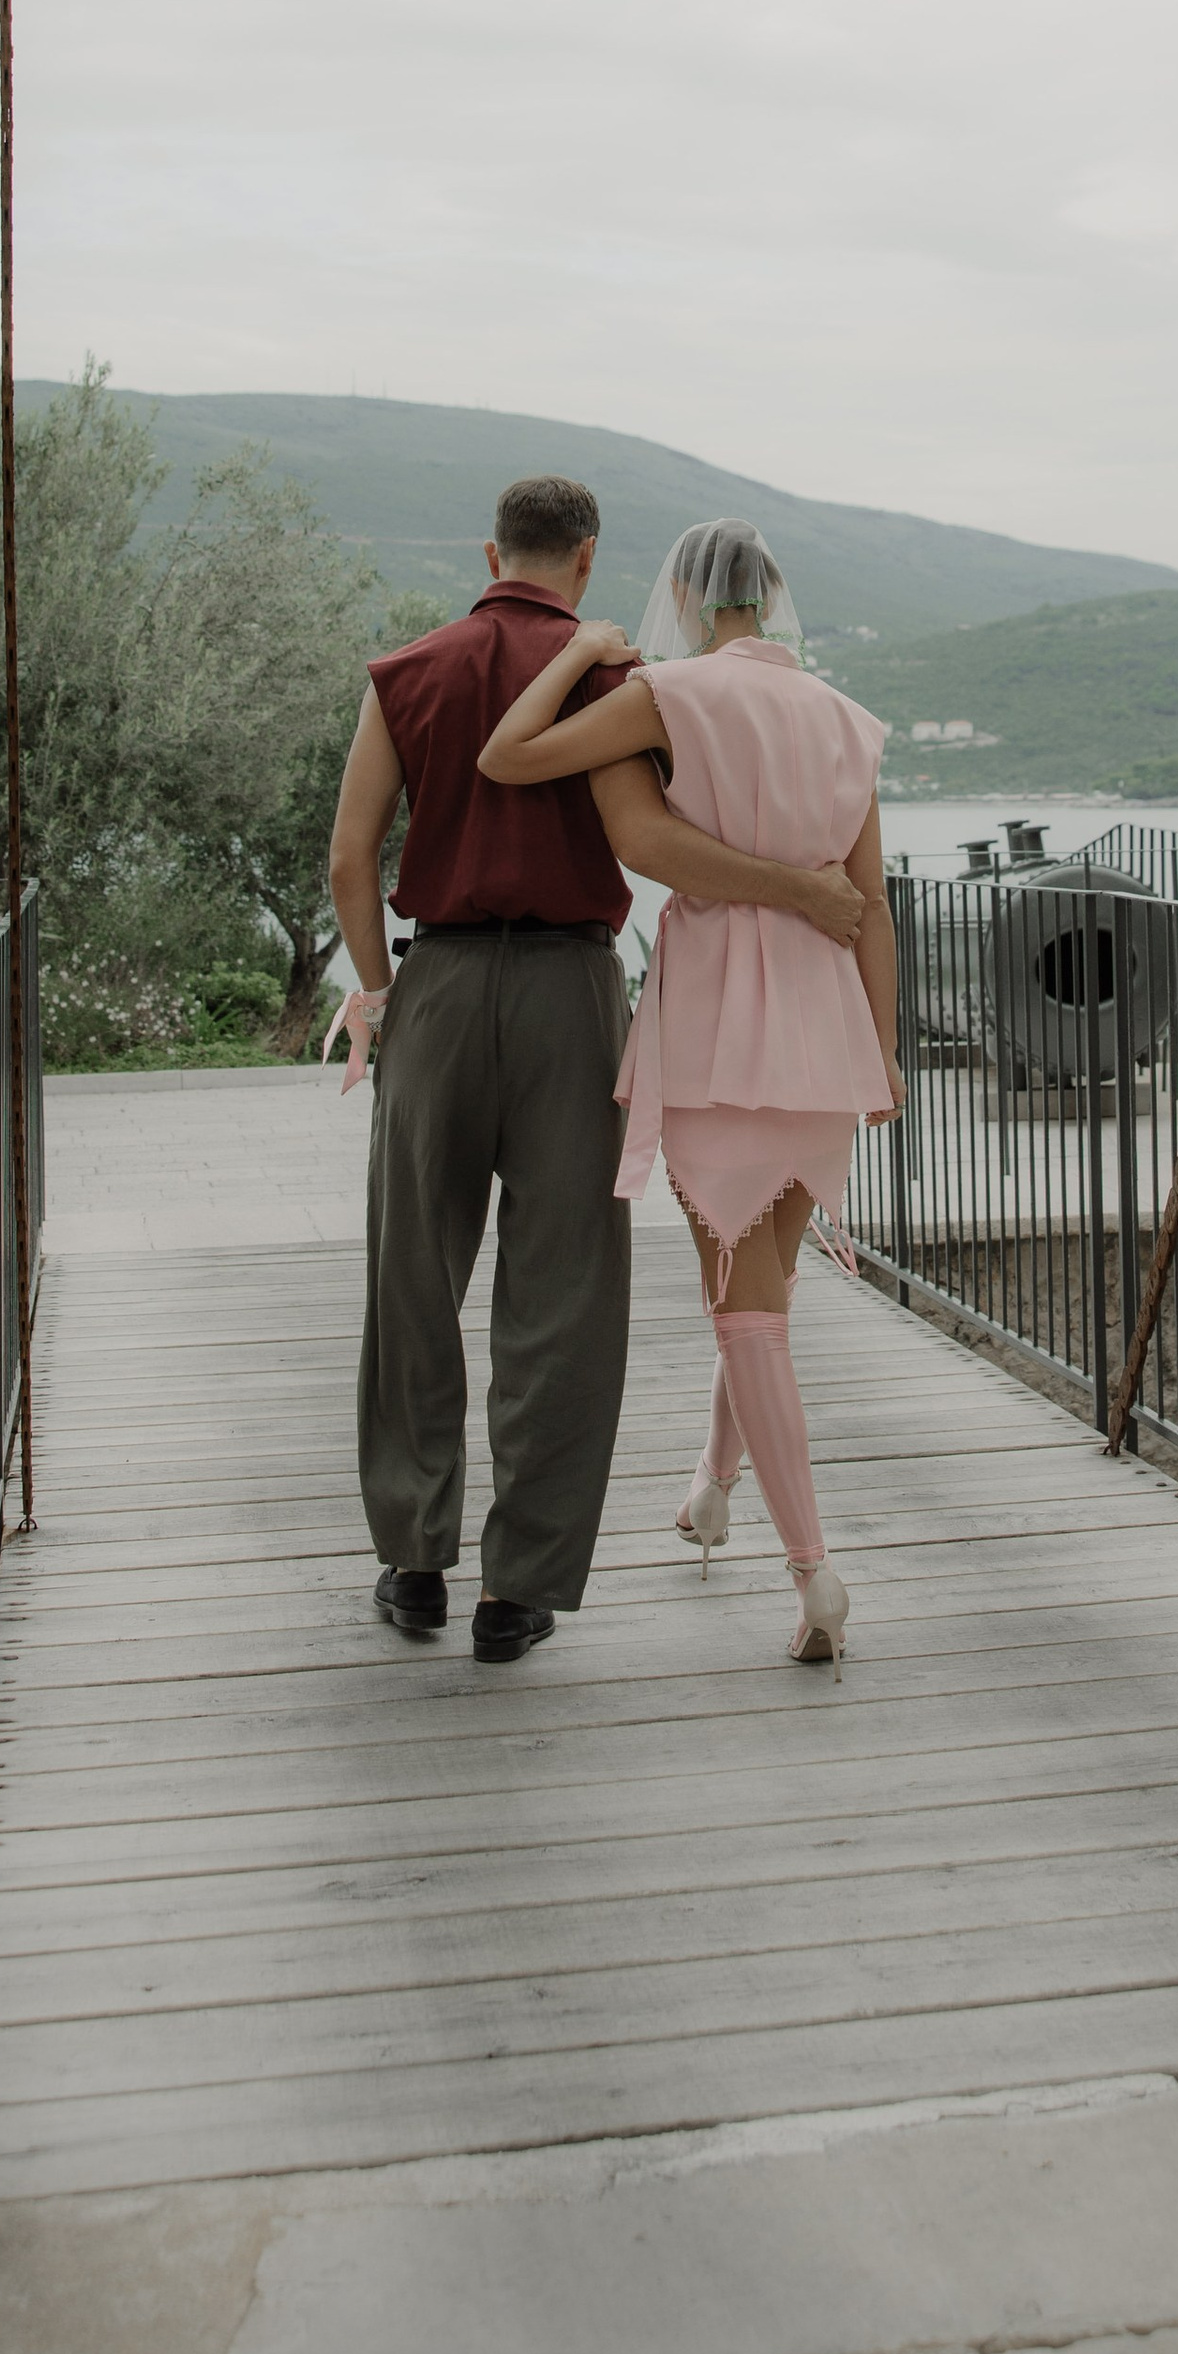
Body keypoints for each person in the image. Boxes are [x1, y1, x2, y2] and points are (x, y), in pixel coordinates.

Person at [325, 476, 866, 1665]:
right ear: (583, 559)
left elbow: (353, 855)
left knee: (414, 1272)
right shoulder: (618, 674)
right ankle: (518, 1590)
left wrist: (379, 985)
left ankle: (413, 1562)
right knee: (562, 1291)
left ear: (488, 549)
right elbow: (649, 838)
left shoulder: (404, 674)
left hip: (444, 985)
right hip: (572, 990)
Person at [477, 519, 901, 1675]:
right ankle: (713, 1489)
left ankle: (814, 1569)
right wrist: (887, 1057)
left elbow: (508, 758)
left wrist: (574, 659)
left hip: (720, 1020)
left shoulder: (666, 695)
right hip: (823, 1026)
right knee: (763, 1278)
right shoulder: (843, 720)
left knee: (739, 1298)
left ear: (679, 593)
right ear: (768, 596)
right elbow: (869, 905)